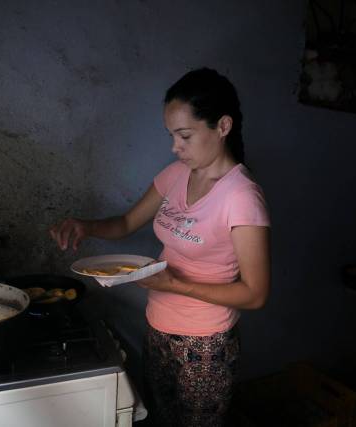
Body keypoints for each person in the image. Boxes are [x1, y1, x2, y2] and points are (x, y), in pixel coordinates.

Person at [49, 67, 270, 427]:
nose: (174, 147)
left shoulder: (242, 197)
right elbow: (124, 223)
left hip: (205, 345)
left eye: (184, 135)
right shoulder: (177, 174)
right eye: (171, 135)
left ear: (223, 126)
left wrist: (175, 285)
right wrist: (84, 226)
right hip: (158, 327)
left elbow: (256, 293)